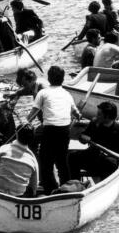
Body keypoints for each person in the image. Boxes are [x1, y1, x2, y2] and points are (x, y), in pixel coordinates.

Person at [26, 66, 80, 194]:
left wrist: (25, 122)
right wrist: (78, 115)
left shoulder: (43, 93)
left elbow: (33, 114)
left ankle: (50, 188)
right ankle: (66, 186)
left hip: (50, 129)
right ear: (62, 79)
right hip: (64, 130)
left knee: (46, 160)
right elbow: (76, 113)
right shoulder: (67, 94)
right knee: (62, 159)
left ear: (49, 79)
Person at [0, 124, 39, 198]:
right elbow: (34, 185)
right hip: (19, 196)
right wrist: (33, 194)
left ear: (16, 133)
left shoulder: (3, 149)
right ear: (32, 138)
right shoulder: (32, 158)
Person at [69, 102, 119, 181]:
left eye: (99, 114)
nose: (96, 116)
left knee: (109, 163)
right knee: (71, 157)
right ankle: (75, 183)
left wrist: (106, 154)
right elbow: (83, 137)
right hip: (93, 155)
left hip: (108, 161)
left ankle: (103, 184)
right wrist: (82, 137)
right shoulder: (94, 122)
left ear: (107, 116)